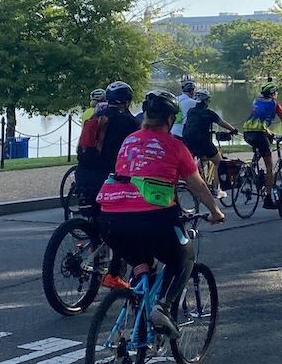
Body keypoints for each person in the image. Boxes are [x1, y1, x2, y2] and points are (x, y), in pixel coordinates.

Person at [96, 91, 225, 339]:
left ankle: (138, 320)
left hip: (110, 219)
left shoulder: (130, 140)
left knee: (143, 263)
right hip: (151, 218)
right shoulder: (175, 146)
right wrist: (215, 211)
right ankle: (162, 307)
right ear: (169, 119)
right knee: (184, 255)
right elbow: (197, 185)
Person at [76, 80, 140, 209]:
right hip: (110, 178)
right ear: (127, 102)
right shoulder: (130, 122)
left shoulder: (95, 117)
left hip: (84, 174)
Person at [177, 90, 240, 196]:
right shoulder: (209, 113)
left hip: (188, 141)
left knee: (203, 157)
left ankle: (196, 178)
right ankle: (216, 190)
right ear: (206, 101)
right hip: (203, 142)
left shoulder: (191, 111)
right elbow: (222, 122)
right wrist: (233, 130)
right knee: (218, 162)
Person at [241, 84, 282, 209]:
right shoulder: (275, 104)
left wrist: (270, 133)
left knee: (261, 148)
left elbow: (258, 118)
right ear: (273, 93)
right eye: (276, 92)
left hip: (247, 133)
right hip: (259, 134)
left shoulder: (256, 100)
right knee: (269, 166)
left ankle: (251, 168)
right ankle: (268, 199)